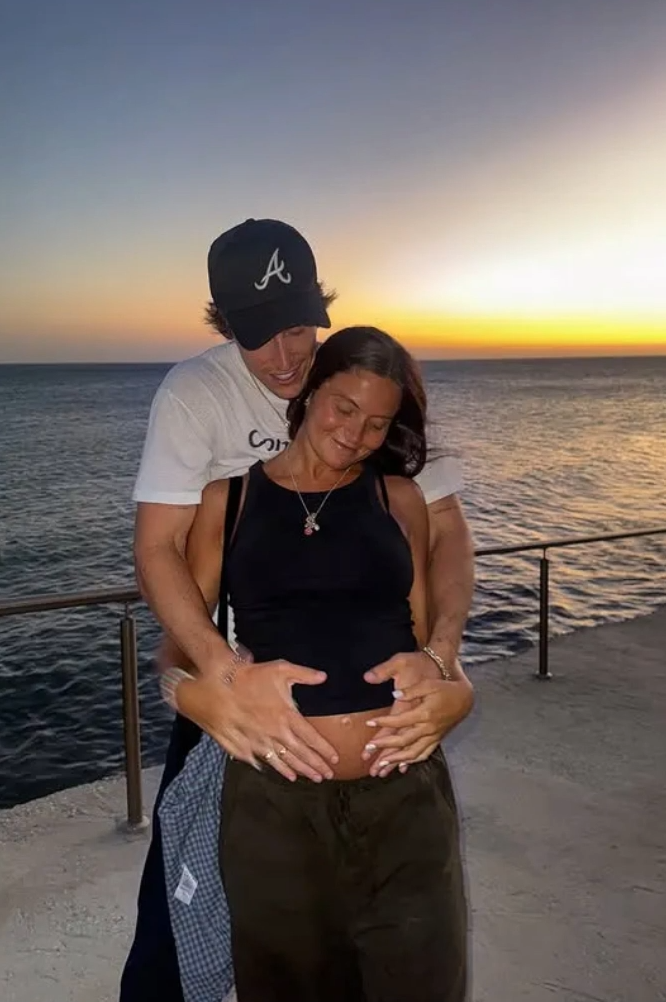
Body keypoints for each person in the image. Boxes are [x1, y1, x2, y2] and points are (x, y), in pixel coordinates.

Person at [119, 219, 477, 1002]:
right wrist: (214, 680)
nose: (283, 357)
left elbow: (444, 537)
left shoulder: (363, 384)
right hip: (246, 697)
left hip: (396, 787)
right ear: (223, 323)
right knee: (173, 921)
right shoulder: (196, 398)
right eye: (258, 335)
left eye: (295, 329)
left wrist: (448, 665)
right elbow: (157, 551)